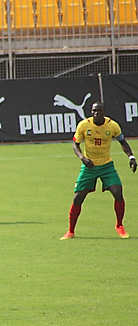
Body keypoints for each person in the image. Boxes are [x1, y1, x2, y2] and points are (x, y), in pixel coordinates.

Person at [61, 101, 137, 240]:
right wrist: (82, 158)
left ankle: (119, 226)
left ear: (104, 112)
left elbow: (122, 142)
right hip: (89, 166)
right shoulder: (84, 125)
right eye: (94, 111)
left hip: (107, 166)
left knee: (118, 192)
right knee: (78, 198)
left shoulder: (112, 126)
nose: (96, 113)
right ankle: (71, 231)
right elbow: (75, 144)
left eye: (99, 111)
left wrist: (131, 156)